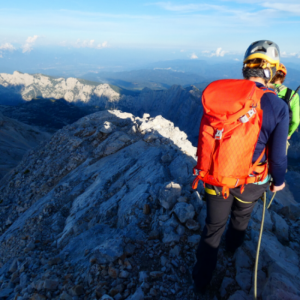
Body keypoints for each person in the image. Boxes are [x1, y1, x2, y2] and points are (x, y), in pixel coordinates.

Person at [192, 40, 289, 294]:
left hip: (217, 177)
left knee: (212, 230)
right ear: (271, 71)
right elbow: (277, 158)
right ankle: (232, 248)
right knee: (241, 218)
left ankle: (200, 285)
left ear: (246, 68)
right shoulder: (278, 106)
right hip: (252, 184)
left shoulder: (223, 95)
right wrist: (278, 181)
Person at [270, 63, 300, 141]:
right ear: (283, 77)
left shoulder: (261, 89)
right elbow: (296, 121)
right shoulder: (293, 95)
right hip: (280, 134)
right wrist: (288, 134)